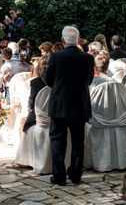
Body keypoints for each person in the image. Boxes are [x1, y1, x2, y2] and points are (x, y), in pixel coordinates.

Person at [45, 26, 94, 186]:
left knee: (58, 141)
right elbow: (89, 81)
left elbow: (49, 80)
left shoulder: (56, 57)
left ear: (63, 40)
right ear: (78, 40)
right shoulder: (87, 58)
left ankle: (59, 175)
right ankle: (75, 174)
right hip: (80, 104)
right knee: (78, 141)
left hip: (60, 104)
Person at [23, 55, 49, 132]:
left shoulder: (35, 82)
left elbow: (32, 102)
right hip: (54, 115)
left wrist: (29, 108)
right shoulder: (58, 82)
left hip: (38, 117)